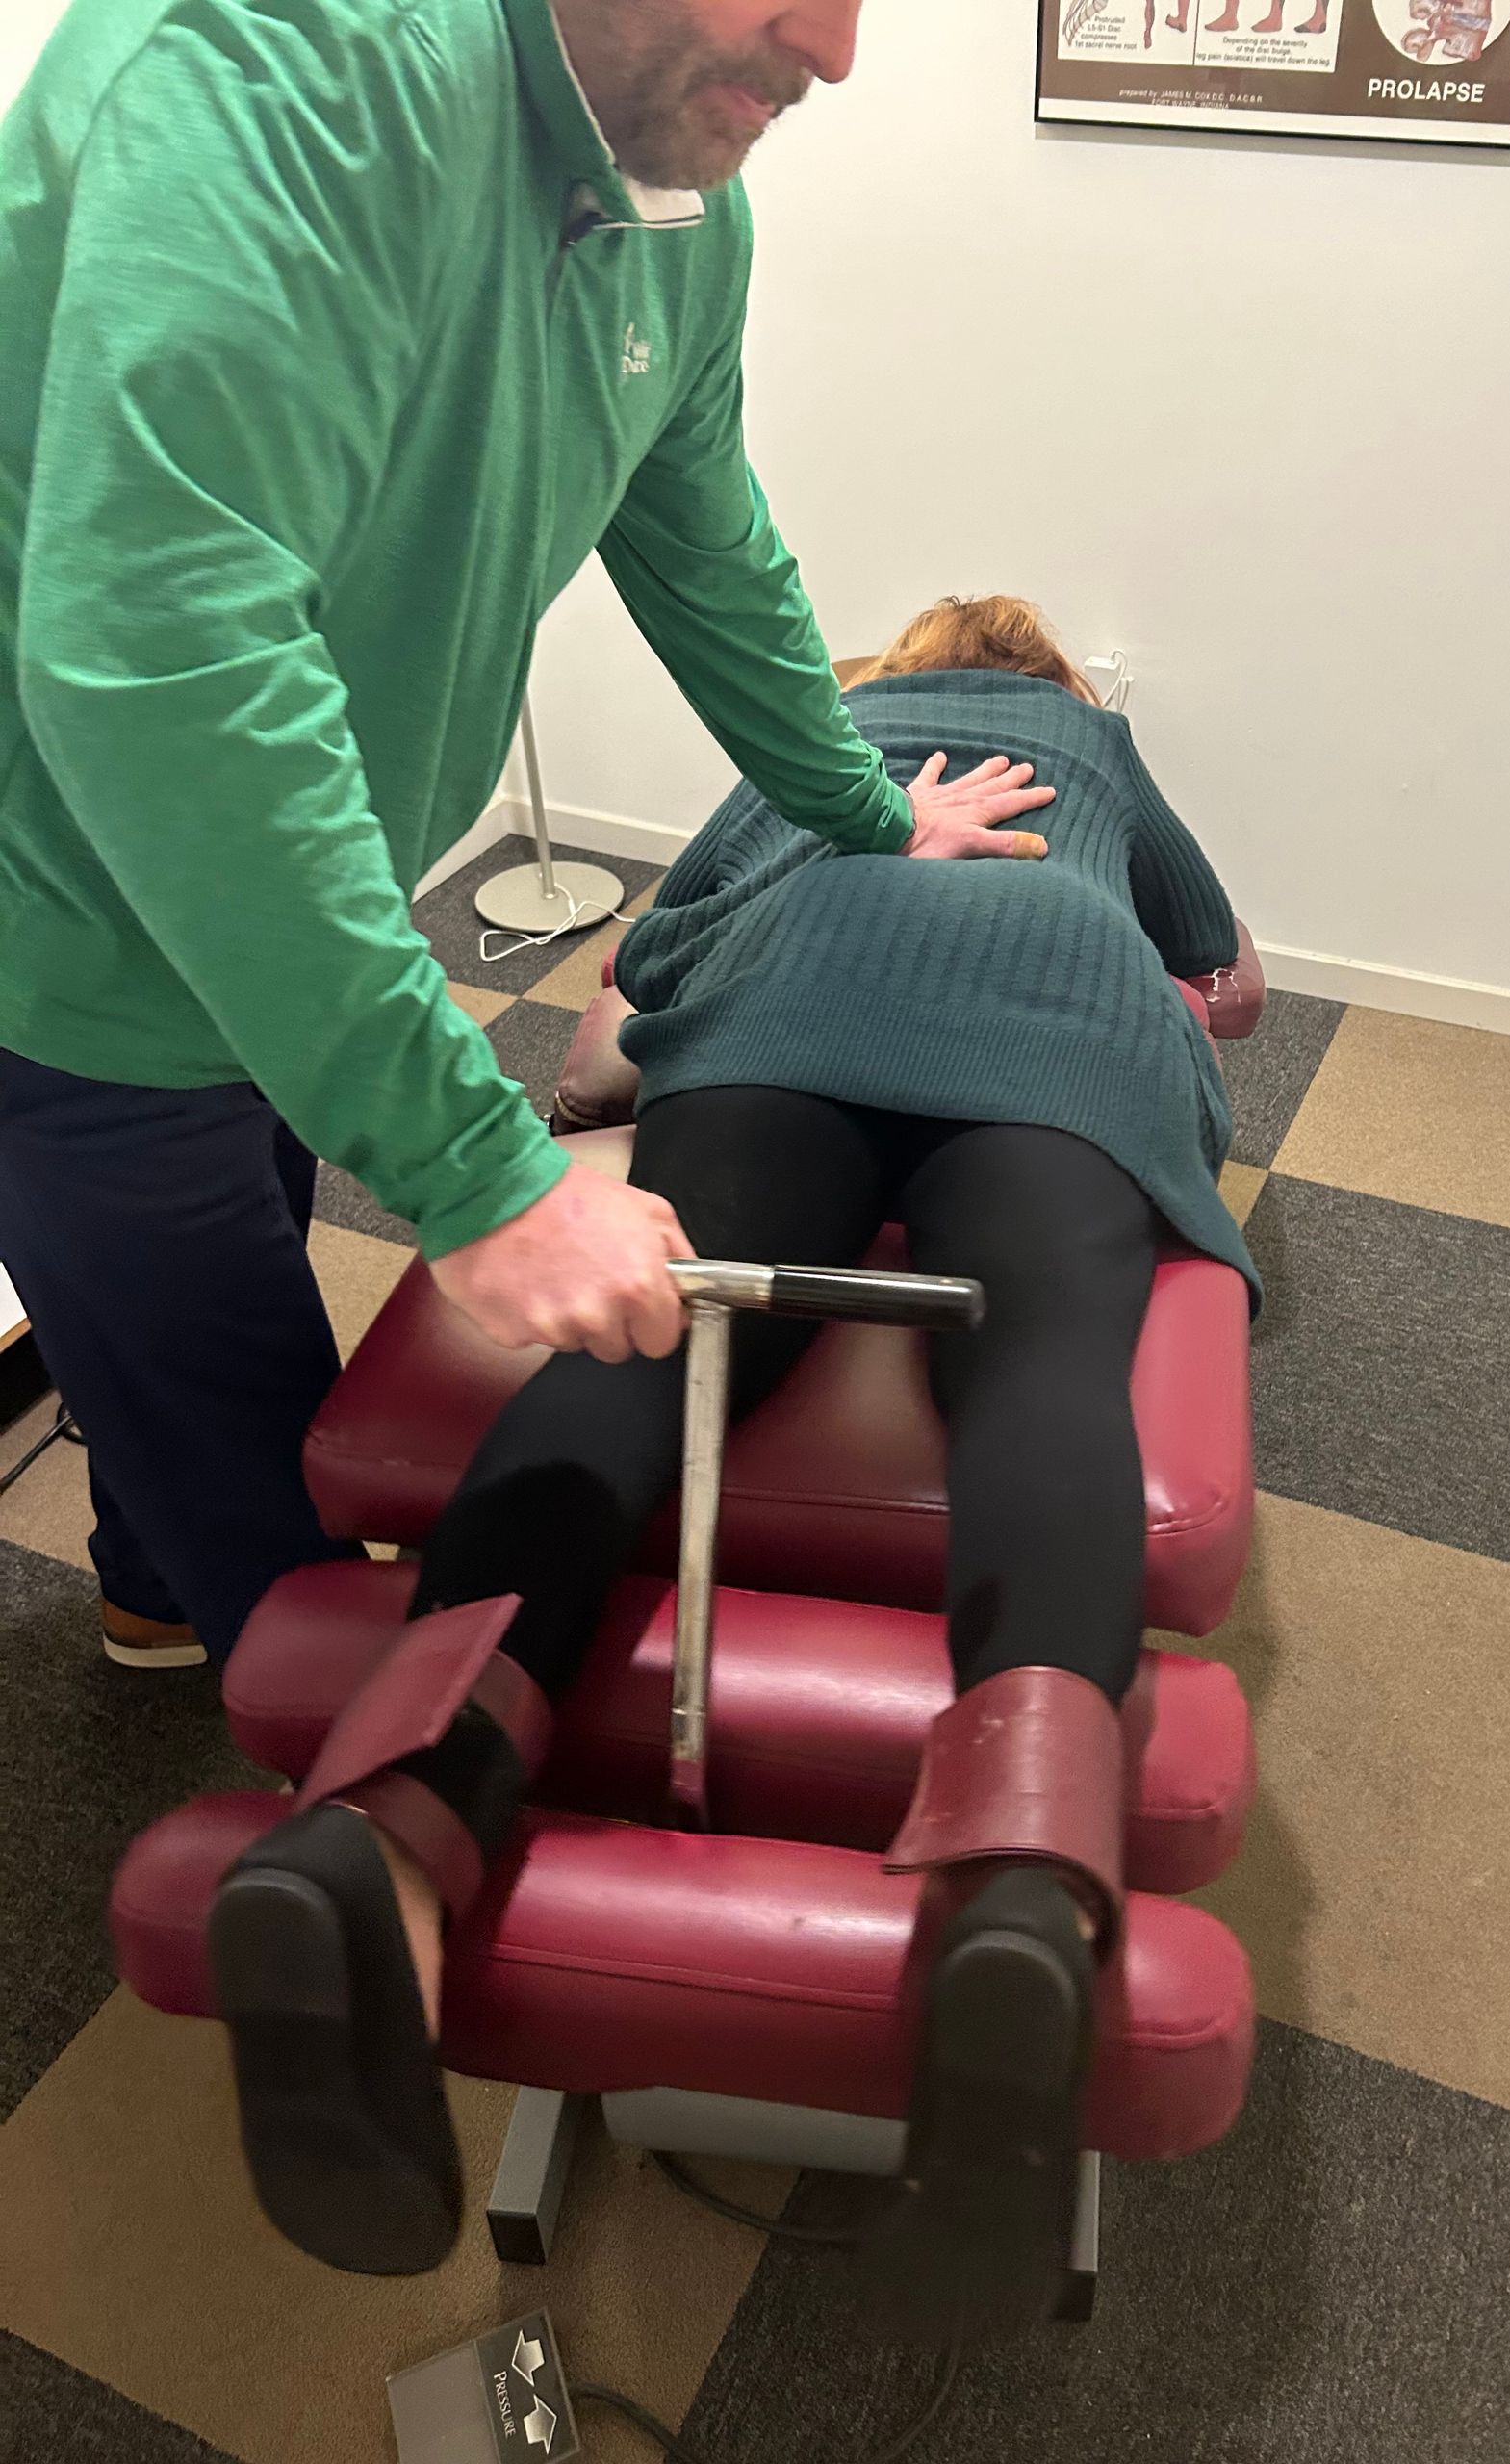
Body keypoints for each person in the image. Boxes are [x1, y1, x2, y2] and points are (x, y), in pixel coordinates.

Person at [204, 595, 1259, 2342]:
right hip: (1062, 1047)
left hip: (780, 1033)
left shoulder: (804, 743)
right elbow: (1232, 987)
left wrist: (599, 1085)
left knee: (650, 1339)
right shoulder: (1097, 756)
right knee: (1044, 1375)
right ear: (1056, 689)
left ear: (876, 668)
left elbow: (620, 1003)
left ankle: (386, 1828)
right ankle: (1018, 1886)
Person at [0, 0, 1052, 1677]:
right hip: (78, 914)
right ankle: (323, 1781)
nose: (835, 52)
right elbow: (163, 663)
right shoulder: (264, 69)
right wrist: (484, 1176)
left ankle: (144, 1586)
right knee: (252, 1440)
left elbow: (707, 539)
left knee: (244, 1224)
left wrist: (869, 813)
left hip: (285, 872)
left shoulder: (680, 198)